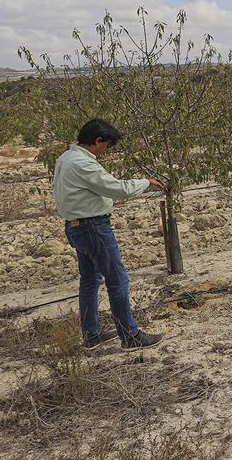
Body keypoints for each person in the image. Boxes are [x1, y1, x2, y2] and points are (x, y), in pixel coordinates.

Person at [52, 119, 165, 350]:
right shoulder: (84, 164)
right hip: (93, 227)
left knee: (90, 280)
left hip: (75, 226)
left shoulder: (65, 158)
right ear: (98, 141)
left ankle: (92, 335)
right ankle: (130, 335)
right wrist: (146, 182)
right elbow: (116, 188)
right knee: (117, 280)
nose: (106, 150)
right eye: (107, 145)